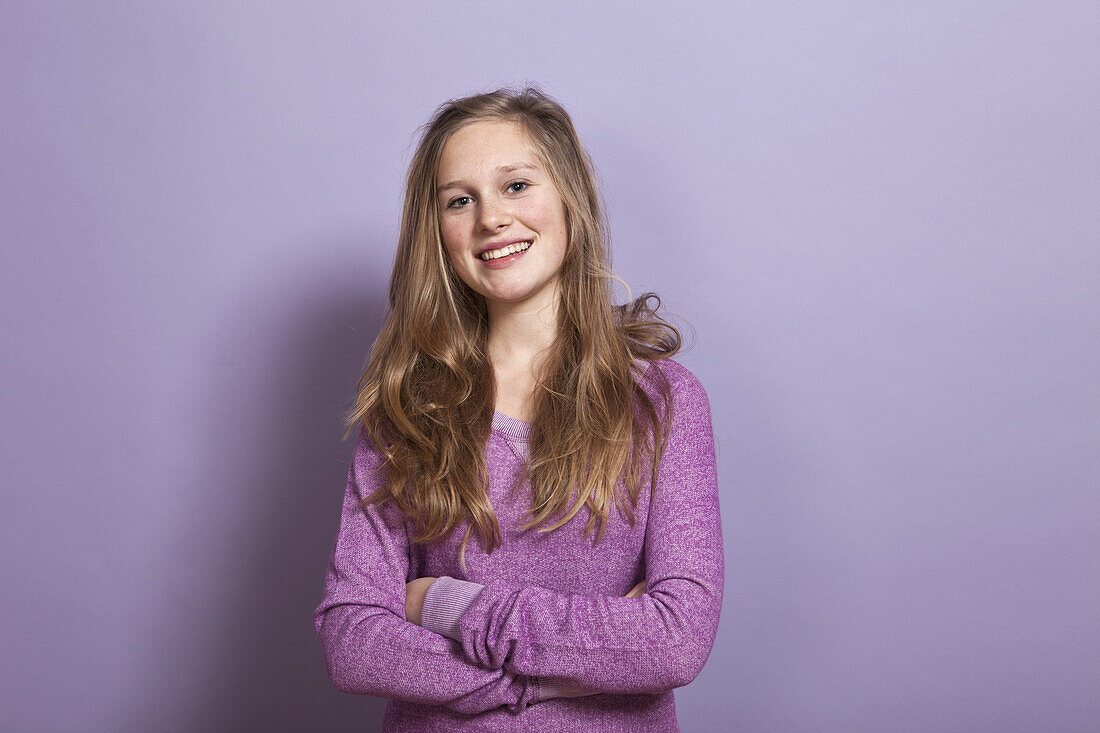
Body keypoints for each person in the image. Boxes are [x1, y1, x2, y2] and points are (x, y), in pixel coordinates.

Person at [313, 86, 724, 732]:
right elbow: (352, 639)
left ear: (570, 200)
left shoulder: (666, 401)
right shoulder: (406, 406)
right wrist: (583, 662)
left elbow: (674, 638)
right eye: (459, 199)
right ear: (438, 230)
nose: (491, 219)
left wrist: (446, 602)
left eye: (515, 186)